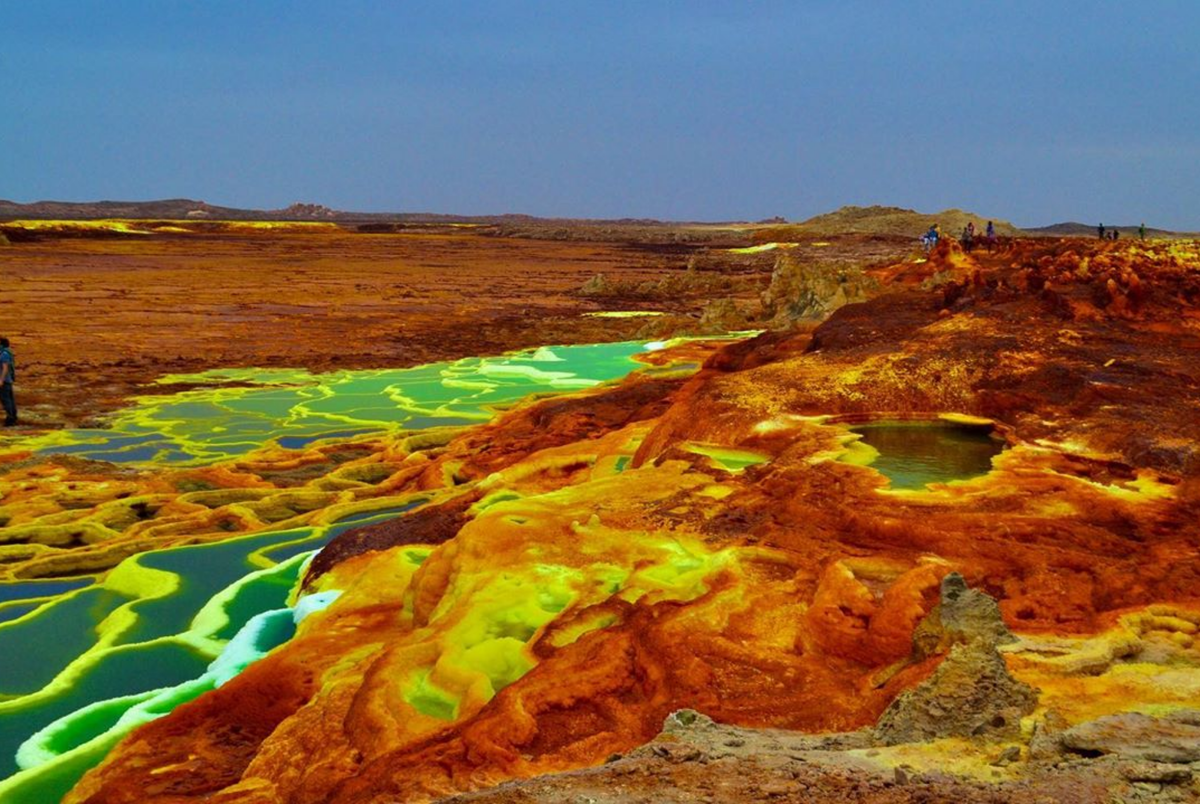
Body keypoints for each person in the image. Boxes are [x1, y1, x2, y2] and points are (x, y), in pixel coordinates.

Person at [0, 337, 15, 427]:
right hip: (7, 380)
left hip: (4, 381)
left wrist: (1, 380)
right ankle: (13, 416)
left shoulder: (4, 354)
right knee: (10, 399)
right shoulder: (5, 353)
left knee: (6, 400)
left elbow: (5, 368)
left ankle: (10, 418)